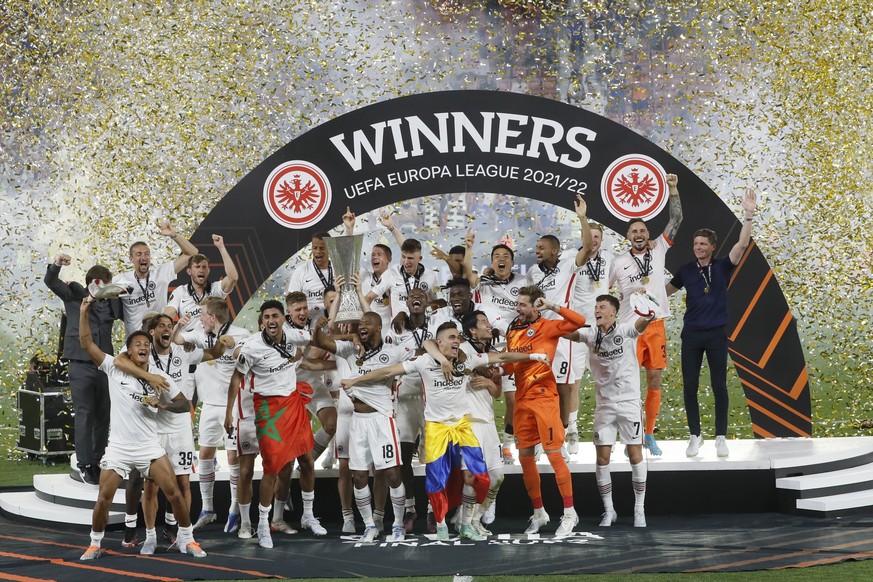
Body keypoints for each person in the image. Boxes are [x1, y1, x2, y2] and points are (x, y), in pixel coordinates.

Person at [341, 321, 544, 541]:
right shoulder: (424, 362)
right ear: (439, 343)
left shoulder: (467, 360)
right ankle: (440, 523)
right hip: (436, 428)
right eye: (451, 337)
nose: (457, 340)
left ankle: (466, 523)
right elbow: (389, 370)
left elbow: (502, 358)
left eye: (458, 337)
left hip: (462, 426)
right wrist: (356, 380)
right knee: (436, 482)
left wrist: (533, 357)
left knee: (475, 476)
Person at [77, 299, 206, 560]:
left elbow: (184, 404)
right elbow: (86, 343)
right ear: (129, 350)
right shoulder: (114, 368)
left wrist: (164, 404)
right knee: (104, 498)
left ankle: (188, 539)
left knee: (175, 494)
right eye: (138, 344)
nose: (143, 347)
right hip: (119, 448)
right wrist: (83, 312)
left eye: (146, 344)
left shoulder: (161, 377)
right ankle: (94, 543)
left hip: (149, 445)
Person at [223, 300, 326, 549]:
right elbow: (236, 378)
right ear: (262, 322)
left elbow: (313, 340)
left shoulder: (293, 335)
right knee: (272, 468)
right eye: (267, 316)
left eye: (276, 316)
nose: (271, 320)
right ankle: (261, 524)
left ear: (283, 319)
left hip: (292, 403)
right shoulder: (252, 348)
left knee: (307, 461)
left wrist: (322, 326)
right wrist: (228, 414)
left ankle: (308, 515)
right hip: (268, 410)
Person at [667, 188, 757, 458]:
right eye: (696, 244)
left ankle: (720, 437)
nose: (699, 248)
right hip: (691, 335)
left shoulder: (722, 266)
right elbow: (666, 290)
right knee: (690, 386)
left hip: (716, 333)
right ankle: (695, 435)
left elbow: (741, 244)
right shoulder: (685, 270)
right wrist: (641, 292)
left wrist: (749, 214)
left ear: (713, 247)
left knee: (719, 385)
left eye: (703, 244)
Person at [311, 309, 411, 543]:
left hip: (382, 420)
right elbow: (321, 342)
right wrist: (319, 328)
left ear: (378, 328)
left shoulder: (393, 352)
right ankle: (368, 526)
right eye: (361, 323)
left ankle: (397, 524)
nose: (362, 326)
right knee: (358, 476)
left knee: (392, 473)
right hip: (358, 422)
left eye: (367, 323)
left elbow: (417, 355)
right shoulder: (349, 350)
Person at [608, 173, 683, 456]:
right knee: (625, 381)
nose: (639, 235)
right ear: (627, 237)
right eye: (633, 232)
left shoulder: (659, 247)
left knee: (654, 380)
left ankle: (648, 435)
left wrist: (673, 190)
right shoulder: (618, 263)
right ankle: (625, 434)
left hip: (656, 325)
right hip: (629, 329)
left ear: (647, 235)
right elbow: (604, 294)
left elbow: (676, 220)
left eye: (642, 231)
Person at [505, 286, 587, 537]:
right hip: (521, 401)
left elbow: (580, 321)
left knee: (554, 456)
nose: (517, 308)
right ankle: (539, 513)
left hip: (544, 399)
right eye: (516, 304)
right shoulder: (513, 329)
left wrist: (552, 306)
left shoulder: (548, 327)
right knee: (526, 458)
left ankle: (570, 513)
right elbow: (509, 366)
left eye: (522, 304)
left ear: (534, 306)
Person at [569, 294, 653, 528]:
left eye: (602, 307)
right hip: (604, 405)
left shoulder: (625, 331)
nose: (597, 310)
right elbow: (568, 333)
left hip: (628, 403)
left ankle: (639, 510)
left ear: (613, 312)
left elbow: (640, 325)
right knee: (602, 459)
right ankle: (609, 511)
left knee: (635, 455)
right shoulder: (590, 334)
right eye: (595, 307)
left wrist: (648, 315)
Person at [524, 195, 595, 459]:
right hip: (542, 336)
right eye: (537, 248)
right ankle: (544, 437)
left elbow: (587, 247)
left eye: (541, 248)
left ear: (554, 250)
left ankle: (561, 438)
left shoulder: (568, 264)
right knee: (542, 388)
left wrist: (582, 217)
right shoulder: (533, 273)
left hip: (563, 335)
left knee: (564, 389)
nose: (537, 251)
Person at [43, 254, 122, 485]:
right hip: (79, 365)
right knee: (85, 415)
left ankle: (99, 459)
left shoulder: (112, 301)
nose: (100, 288)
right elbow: (50, 281)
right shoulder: (74, 294)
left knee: (103, 415)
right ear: (89, 283)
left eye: (104, 284)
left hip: (105, 366)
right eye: (97, 283)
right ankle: (85, 464)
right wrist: (57, 264)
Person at [175, 297, 250, 533]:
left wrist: (233, 347)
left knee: (232, 458)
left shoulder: (240, 333)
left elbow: (244, 357)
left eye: (202, 314)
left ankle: (234, 510)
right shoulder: (198, 333)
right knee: (205, 453)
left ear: (213, 317)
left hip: (233, 406)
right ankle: (208, 508)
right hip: (208, 405)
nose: (200, 317)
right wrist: (180, 325)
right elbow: (177, 339)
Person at [469, 242, 527, 464]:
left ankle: (508, 442)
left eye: (505, 256)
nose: (501, 259)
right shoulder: (482, 283)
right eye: (496, 256)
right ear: (492, 262)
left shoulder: (522, 283)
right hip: (486, 348)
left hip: (511, 348)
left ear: (512, 262)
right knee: (483, 395)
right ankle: (486, 442)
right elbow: (469, 276)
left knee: (512, 399)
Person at [566, 222, 613, 454]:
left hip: (602, 331)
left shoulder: (610, 259)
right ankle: (572, 429)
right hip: (577, 330)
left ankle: (607, 432)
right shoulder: (571, 259)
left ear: (601, 240)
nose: (593, 240)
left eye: (597, 237)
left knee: (606, 383)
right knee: (573, 382)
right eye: (589, 236)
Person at [113, 219, 199, 338]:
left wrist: (174, 235)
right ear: (131, 259)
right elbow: (100, 292)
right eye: (138, 254)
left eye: (147, 254)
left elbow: (192, 253)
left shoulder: (161, 273)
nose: (143, 257)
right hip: (135, 342)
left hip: (159, 339)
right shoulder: (122, 280)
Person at [164, 234, 238, 331]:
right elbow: (168, 314)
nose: (201, 270)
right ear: (189, 271)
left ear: (208, 270)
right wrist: (162, 321)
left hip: (212, 343)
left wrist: (221, 247)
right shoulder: (180, 291)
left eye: (204, 267)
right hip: (187, 342)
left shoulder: (215, 289)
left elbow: (233, 278)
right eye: (197, 267)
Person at [285, 232, 334, 321]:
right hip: (309, 322)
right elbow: (292, 300)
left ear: (329, 248)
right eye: (315, 248)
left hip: (334, 320)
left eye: (322, 248)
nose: (318, 251)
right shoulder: (301, 270)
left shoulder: (337, 269)